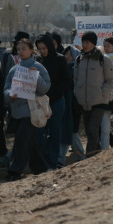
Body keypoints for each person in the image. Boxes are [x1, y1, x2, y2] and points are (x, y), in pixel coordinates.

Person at [3, 38, 51, 181]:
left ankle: (14, 170)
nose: (21, 52)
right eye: (18, 49)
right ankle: (41, 168)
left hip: (31, 111)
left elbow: (45, 88)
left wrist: (36, 77)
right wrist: (10, 94)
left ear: (31, 50)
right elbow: (6, 89)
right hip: (16, 111)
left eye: (24, 49)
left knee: (21, 139)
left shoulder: (38, 67)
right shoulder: (14, 70)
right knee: (29, 140)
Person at [73, 31, 113, 156]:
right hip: (84, 103)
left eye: (87, 42)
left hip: (99, 102)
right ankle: (97, 155)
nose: (84, 45)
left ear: (93, 43)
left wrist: (103, 93)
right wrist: (77, 93)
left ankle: (89, 156)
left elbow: (111, 80)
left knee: (93, 129)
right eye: (83, 42)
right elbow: (75, 79)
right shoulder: (79, 60)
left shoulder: (103, 59)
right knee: (89, 131)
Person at [35, 33, 71, 169]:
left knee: (54, 133)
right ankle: (43, 161)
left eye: (44, 48)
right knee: (39, 132)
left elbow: (67, 80)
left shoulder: (60, 59)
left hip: (56, 101)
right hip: (41, 101)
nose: (42, 51)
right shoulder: (38, 61)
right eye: (39, 48)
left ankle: (53, 162)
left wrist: (53, 92)